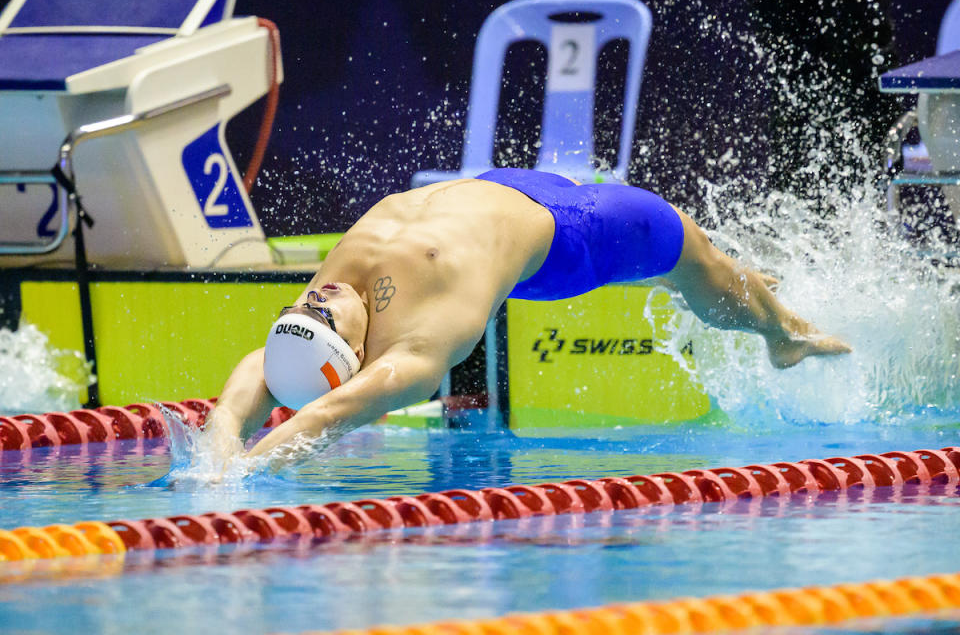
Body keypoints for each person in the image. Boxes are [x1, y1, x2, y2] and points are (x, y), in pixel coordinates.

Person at [208, 169, 851, 460]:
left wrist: (221, 437)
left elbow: (267, 367)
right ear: (353, 357)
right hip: (571, 236)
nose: (319, 299)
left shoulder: (324, 305)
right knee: (693, 256)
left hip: (504, 184)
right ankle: (783, 332)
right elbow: (326, 413)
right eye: (322, 320)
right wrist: (242, 474)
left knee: (714, 271)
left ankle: (746, 289)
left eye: (302, 309)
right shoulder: (416, 349)